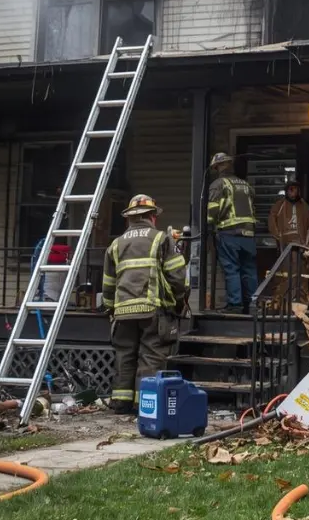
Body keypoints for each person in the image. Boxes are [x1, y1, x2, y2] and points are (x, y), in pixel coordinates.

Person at [102, 194, 189, 414]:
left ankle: (121, 402)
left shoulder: (115, 244)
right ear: (152, 217)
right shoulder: (162, 239)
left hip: (122, 312)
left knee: (125, 356)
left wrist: (110, 308)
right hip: (152, 310)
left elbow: (108, 284)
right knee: (151, 357)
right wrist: (179, 301)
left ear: (129, 219)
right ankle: (144, 405)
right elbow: (177, 276)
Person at [206, 152, 257, 312]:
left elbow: (212, 210)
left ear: (218, 167)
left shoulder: (218, 184)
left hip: (229, 233)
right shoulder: (245, 184)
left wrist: (209, 225)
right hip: (249, 234)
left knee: (231, 269)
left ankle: (235, 305)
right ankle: (253, 305)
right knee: (249, 270)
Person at [269, 178, 309, 248]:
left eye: (295, 189)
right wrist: (278, 235)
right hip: (285, 242)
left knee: (299, 257)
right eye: (290, 189)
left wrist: (307, 243)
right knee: (286, 257)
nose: (292, 191)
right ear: (286, 191)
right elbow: (272, 221)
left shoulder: (304, 206)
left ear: (298, 190)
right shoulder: (280, 205)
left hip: (301, 241)